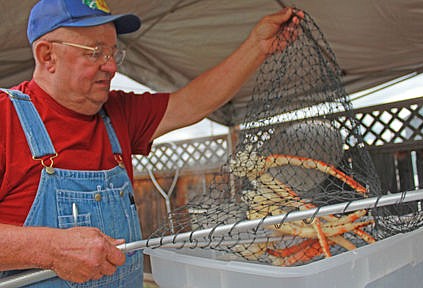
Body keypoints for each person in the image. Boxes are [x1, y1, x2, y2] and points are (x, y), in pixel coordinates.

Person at [0, 0, 303, 286]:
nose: (111, 67)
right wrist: (49, 248)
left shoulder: (118, 113)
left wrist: (257, 47)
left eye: (113, 53)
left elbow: (191, 104)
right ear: (47, 55)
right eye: (95, 52)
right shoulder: (5, 117)